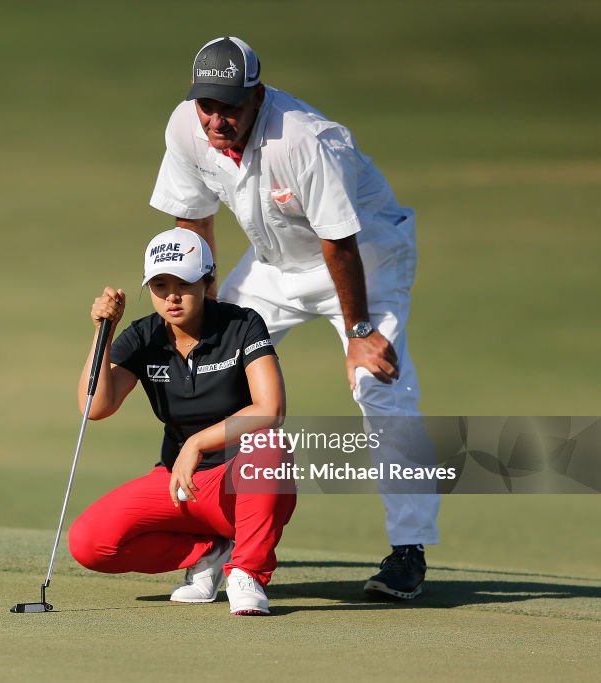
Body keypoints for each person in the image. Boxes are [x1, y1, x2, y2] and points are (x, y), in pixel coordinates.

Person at [149, 36, 439, 599]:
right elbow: (195, 223)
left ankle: (409, 550)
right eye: (207, 104)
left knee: (379, 387)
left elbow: (340, 243)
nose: (216, 118)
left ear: (257, 96)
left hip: (366, 261)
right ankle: (218, 540)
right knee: (209, 369)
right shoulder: (187, 126)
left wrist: (358, 335)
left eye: (230, 106)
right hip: (272, 265)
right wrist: (198, 314)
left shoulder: (305, 138)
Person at [67, 228, 296, 615]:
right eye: (160, 285)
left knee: (269, 444)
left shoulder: (241, 325)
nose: (172, 296)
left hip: (239, 484)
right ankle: (208, 554)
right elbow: (96, 407)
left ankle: (248, 572)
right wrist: (101, 333)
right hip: (179, 484)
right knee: (90, 543)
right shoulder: (143, 336)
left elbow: (270, 408)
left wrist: (196, 443)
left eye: (184, 283)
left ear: (208, 280)